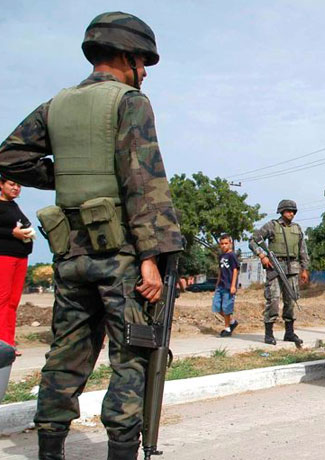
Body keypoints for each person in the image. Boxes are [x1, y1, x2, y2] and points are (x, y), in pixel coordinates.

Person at [0, 12, 183, 459]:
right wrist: (151, 257)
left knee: (64, 357)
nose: (144, 74)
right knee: (132, 359)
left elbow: (9, 158)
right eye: (142, 63)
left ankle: (49, 451)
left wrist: (67, 173)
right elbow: (143, 183)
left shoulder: (55, 105)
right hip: (122, 258)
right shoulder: (129, 102)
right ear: (125, 55)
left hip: (70, 259)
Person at [249, 199, 310, 346]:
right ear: (282, 211)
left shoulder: (297, 228)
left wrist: (305, 269)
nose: (292, 214)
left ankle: (289, 333)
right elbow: (253, 240)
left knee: (290, 302)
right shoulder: (272, 225)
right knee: (274, 301)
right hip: (275, 268)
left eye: (293, 211)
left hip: (293, 268)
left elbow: (303, 250)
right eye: (289, 211)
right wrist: (262, 255)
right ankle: (269, 334)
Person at [0, 177, 35, 356]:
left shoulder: (14, 206)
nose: (16, 188)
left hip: (21, 257)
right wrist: (11, 232)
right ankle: (2, 345)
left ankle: (8, 344)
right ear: (1, 185)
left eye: (19, 185)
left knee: (13, 302)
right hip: (4, 256)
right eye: (11, 184)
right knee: (3, 300)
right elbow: (8, 230)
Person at [214, 235, 239, 337]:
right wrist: (217, 283)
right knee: (216, 306)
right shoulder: (221, 256)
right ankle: (232, 322)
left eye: (226, 243)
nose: (224, 246)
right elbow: (220, 270)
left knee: (226, 307)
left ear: (230, 244)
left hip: (229, 286)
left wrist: (233, 285)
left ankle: (227, 328)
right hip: (221, 285)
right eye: (222, 244)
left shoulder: (232, 255)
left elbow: (235, 270)